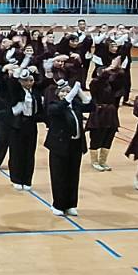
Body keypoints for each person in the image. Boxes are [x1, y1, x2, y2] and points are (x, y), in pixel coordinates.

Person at [43, 79, 93, 217]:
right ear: (58, 94)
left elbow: (91, 107)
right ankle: (58, 204)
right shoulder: (54, 105)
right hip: (59, 146)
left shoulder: (75, 104)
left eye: (68, 91)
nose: (65, 94)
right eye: (63, 92)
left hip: (75, 145)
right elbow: (59, 108)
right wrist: (70, 94)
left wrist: (81, 93)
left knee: (73, 175)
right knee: (59, 176)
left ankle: (71, 204)